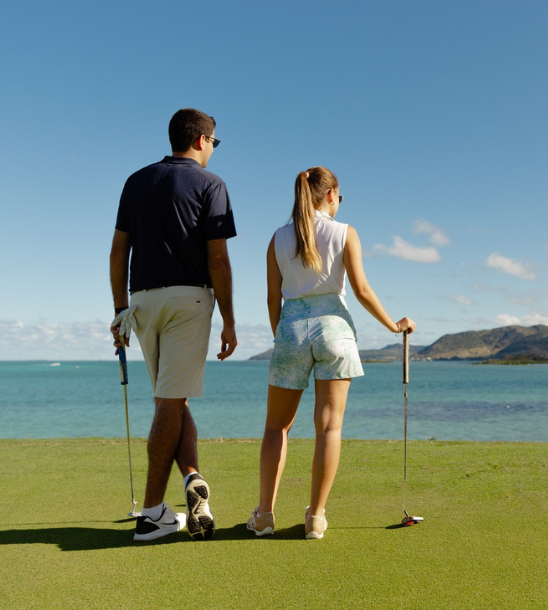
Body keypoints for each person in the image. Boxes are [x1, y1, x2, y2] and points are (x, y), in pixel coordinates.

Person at [247, 166, 414, 539]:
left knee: (277, 426)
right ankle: (315, 518)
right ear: (330, 195)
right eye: (339, 196)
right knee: (328, 427)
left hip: (292, 328)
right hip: (335, 331)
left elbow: (272, 298)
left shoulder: (277, 238)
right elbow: (362, 291)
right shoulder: (345, 233)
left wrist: (282, 335)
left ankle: (264, 517)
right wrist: (393, 326)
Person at [109, 108, 238, 542]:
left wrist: (119, 310)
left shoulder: (136, 180)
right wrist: (229, 319)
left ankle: (191, 478)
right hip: (188, 298)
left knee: (172, 400)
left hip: (143, 302)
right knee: (169, 402)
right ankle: (150, 515)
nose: (213, 150)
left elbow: (117, 253)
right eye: (214, 142)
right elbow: (218, 259)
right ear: (201, 140)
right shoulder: (210, 184)